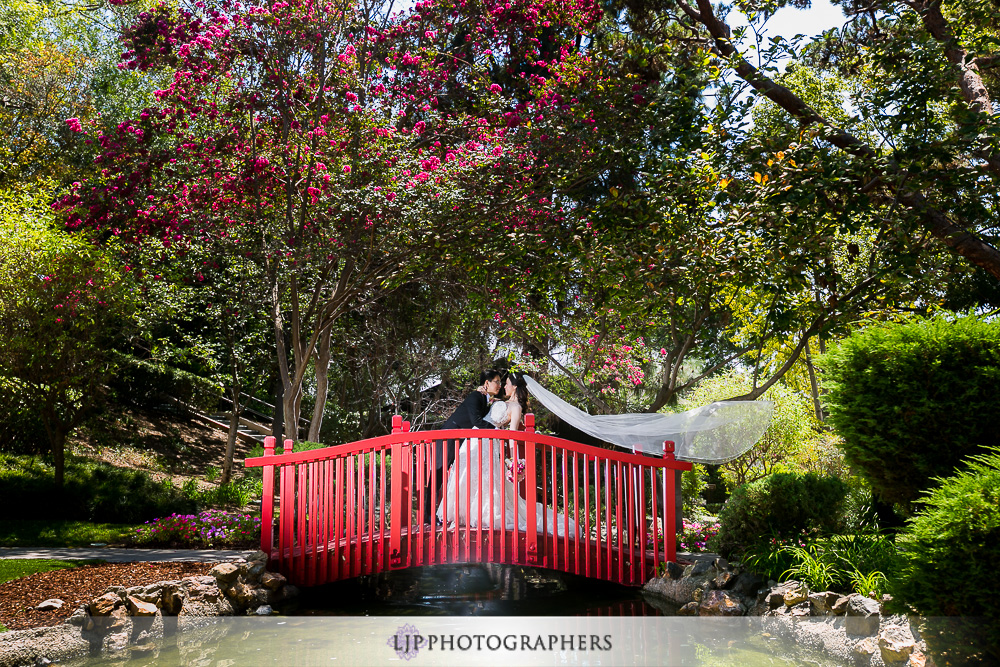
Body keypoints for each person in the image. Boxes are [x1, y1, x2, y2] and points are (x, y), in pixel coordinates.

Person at [438, 370, 577, 537]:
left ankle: (481, 514)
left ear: (515, 386)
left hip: (488, 442)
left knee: (483, 478)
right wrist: (485, 395)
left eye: (507, 384)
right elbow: (483, 415)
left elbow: (512, 436)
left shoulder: (516, 408)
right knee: (467, 474)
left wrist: (512, 459)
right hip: (474, 438)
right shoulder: (498, 401)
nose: (504, 386)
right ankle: (463, 513)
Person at [423, 369, 502, 524]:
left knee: (458, 477)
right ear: (487, 383)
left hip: (462, 441)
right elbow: (476, 421)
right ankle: (428, 516)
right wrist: (496, 430)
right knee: (438, 475)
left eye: (500, 382)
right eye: (497, 381)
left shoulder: (485, 398)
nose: (499, 385)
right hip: (448, 437)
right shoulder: (475, 396)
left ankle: (452, 514)